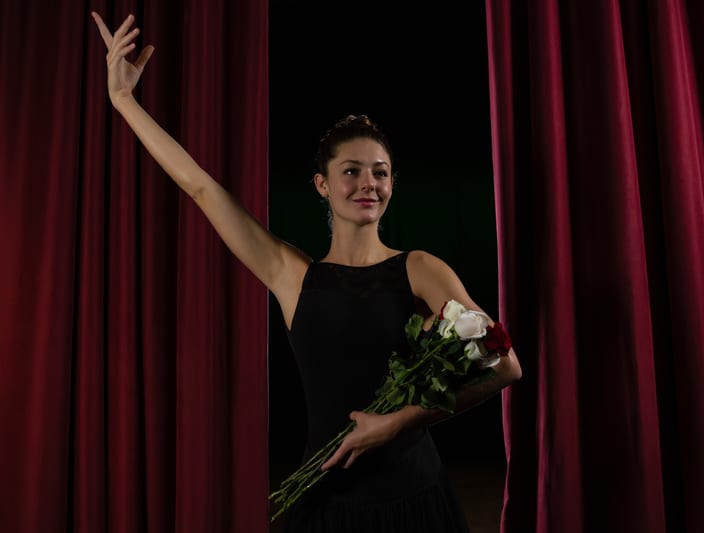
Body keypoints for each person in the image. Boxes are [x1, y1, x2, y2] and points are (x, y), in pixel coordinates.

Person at [91, 11, 522, 532]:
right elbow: (201, 187)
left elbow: (505, 367)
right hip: (324, 502)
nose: (369, 183)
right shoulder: (292, 274)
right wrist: (123, 102)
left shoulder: (421, 269)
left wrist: (400, 422)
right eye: (352, 171)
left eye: (380, 173)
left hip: (414, 499)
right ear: (322, 184)